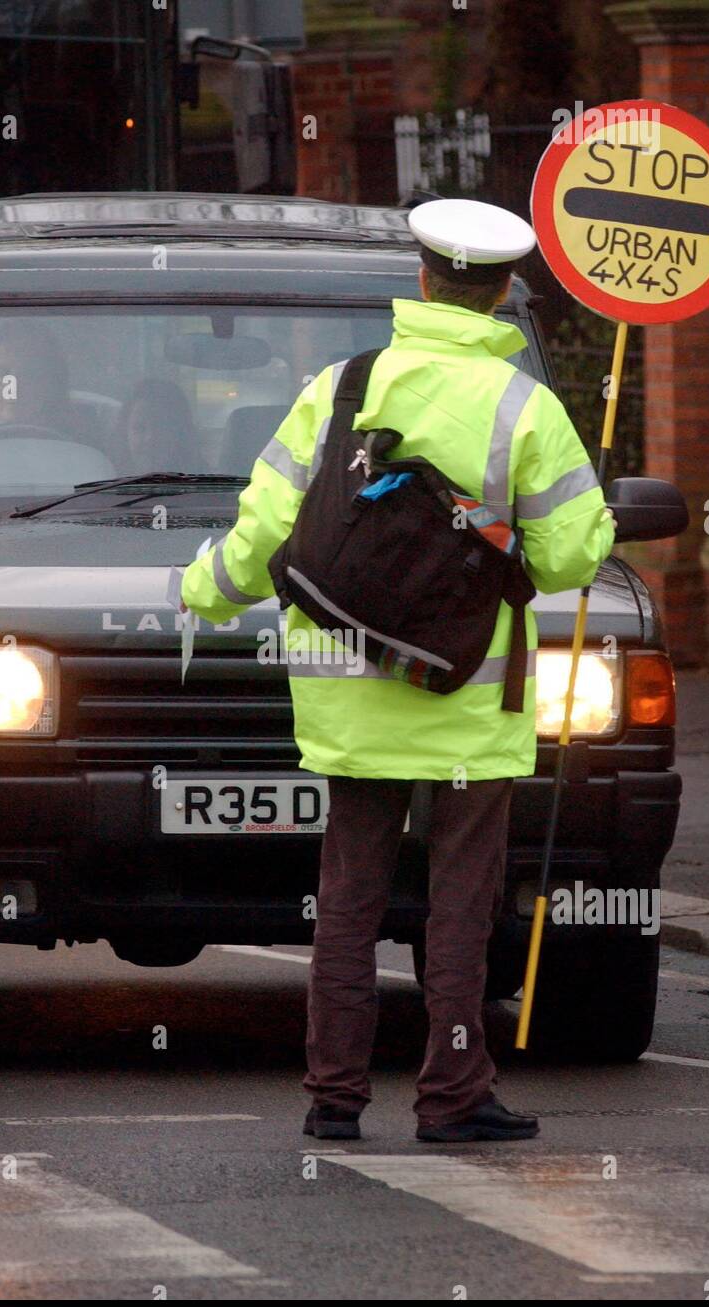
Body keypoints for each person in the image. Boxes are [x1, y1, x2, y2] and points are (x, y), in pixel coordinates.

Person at [182, 200, 615, 1144]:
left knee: (346, 900)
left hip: (347, 697)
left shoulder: (340, 388)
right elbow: (575, 556)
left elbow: (265, 532)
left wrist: (202, 593)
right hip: (467, 699)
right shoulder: (522, 406)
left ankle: (333, 1098)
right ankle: (452, 1095)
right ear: (501, 293)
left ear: (420, 281)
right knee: (460, 905)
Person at [111, 379, 205, 474]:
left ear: (181, 433)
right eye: (139, 428)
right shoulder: (104, 480)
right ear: (125, 434)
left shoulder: (207, 483)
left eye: (160, 427)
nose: (150, 438)